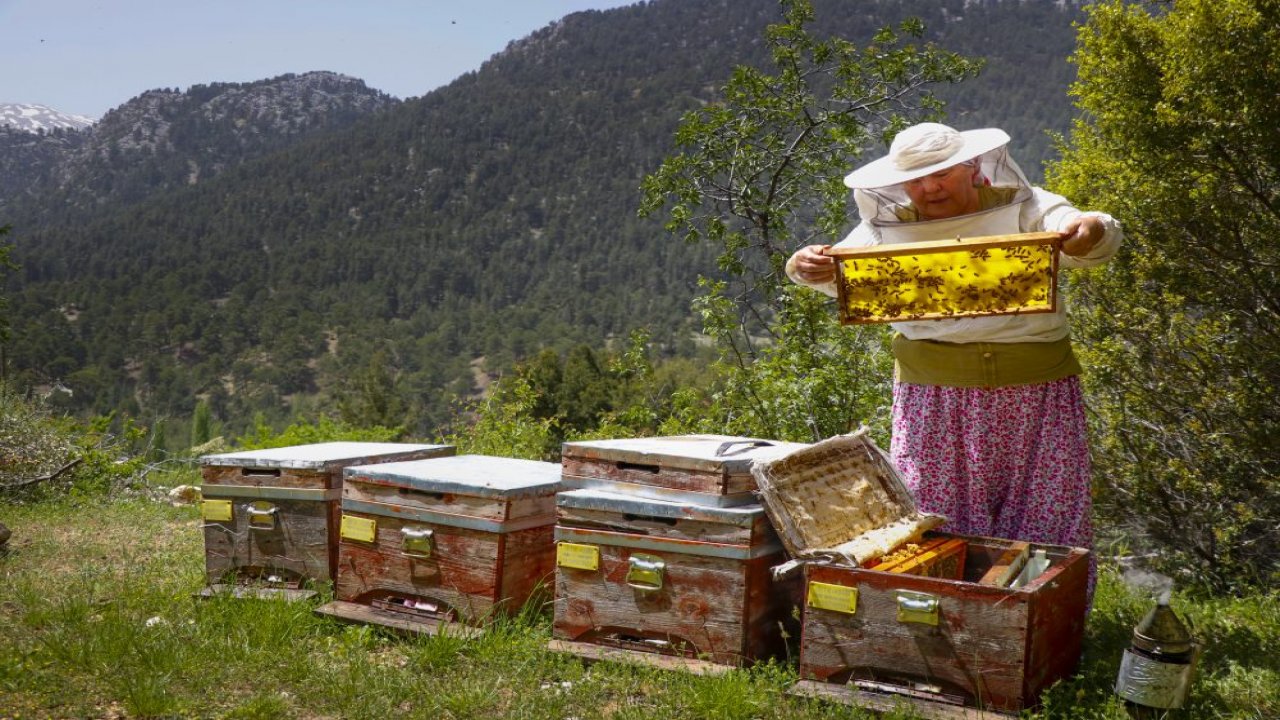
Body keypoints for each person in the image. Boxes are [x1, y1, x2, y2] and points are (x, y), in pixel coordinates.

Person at [786, 123, 1121, 596]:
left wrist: (1088, 230)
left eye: (940, 174)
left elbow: (1088, 229)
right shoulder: (886, 227)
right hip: (934, 395)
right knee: (937, 514)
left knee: (1047, 512)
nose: (929, 188)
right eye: (916, 179)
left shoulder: (1026, 205)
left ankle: (1043, 627)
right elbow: (834, 271)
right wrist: (804, 264)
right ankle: (940, 621)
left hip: (1036, 389)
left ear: (970, 167)